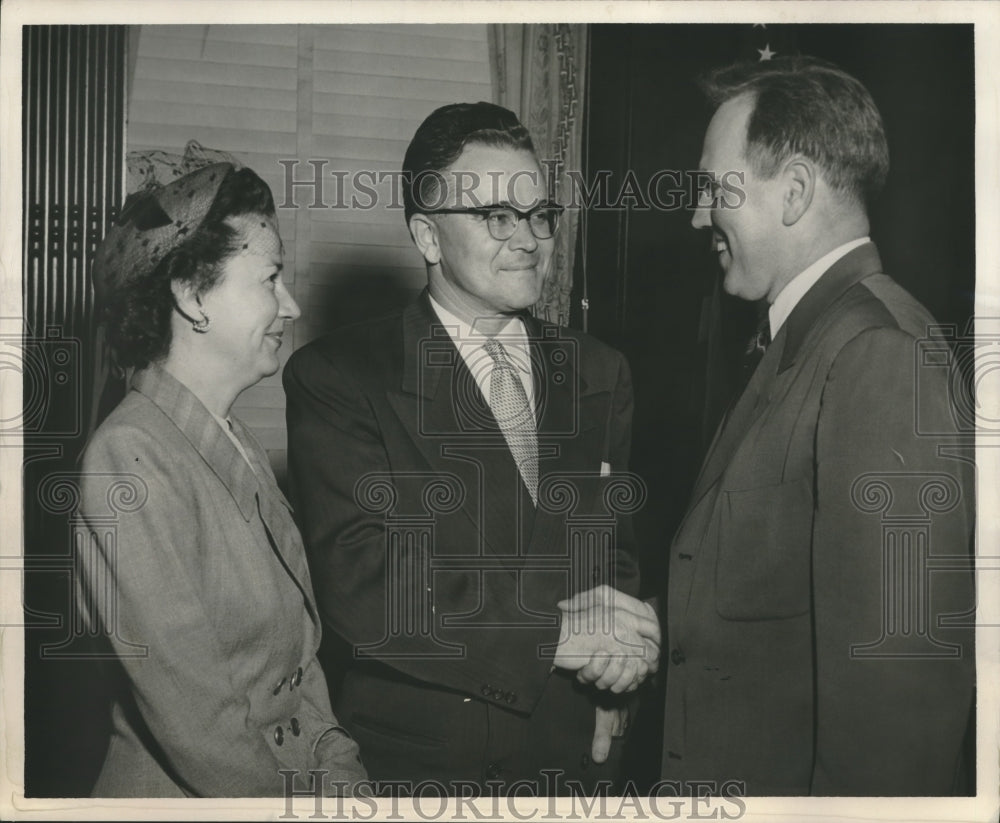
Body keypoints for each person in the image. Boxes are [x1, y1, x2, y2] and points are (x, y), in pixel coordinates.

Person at [284, 102, 660, 793]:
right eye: (496, 216)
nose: (528, 239)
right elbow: (366, 587)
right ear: (428, 236)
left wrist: (619, 676)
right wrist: (556, 639)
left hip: (575, 760)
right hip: (429, 771)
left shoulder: (600, 371)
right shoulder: (340, 376)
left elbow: (613, 554)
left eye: (539, 214)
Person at [660, 56, 975, 794]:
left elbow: (897, 717)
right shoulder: (815, 334)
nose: (697, 215)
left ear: (795, 190)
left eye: (714, 188)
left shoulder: (876, 355)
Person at [77, 162, 367, 797]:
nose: (289, 304)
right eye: (269, 279)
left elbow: (296, 672)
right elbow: (200, 726)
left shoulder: (231, 441)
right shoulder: (130, 457)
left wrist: (343, 774)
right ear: (191, 294)